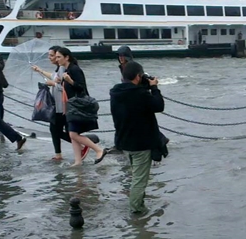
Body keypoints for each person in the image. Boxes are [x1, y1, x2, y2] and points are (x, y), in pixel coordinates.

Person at [110, 61, 165, 215]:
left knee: (136, 175)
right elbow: (158, 106)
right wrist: (154, 87)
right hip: (140, 144)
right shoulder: (140, 94)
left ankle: (138, 203)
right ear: (138, 76)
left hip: (125, 141)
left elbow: (134, 100)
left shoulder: (116, 92)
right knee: (139, 180)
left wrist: (144, 86)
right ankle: (137, 211)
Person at [32, 46, 96, 161]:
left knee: (68, 131)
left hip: (64, 106)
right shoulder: (60, 68)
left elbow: (69, 86)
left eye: (54, 56)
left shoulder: (68, 69)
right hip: (60, 105)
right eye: (52, 56)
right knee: (61, 130)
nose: (52, 58)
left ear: (65, 57)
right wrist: (40, 71)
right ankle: (70, 155)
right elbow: (55, 77)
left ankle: (87, 145)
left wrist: (54, 84)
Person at [55, 47, 106, 166]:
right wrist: (60, 81)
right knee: (72, 134)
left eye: (59, 57)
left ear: (66, 57)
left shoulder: (75, 69)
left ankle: (98, 149)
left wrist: (70, 81)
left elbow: (81, 87)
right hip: (71, 107)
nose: (57, 60)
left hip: (78, 106)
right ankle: (78, 161)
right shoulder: (65, 70)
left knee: (73, 134)